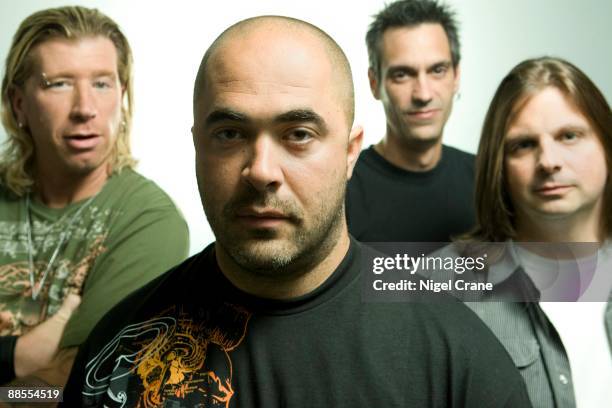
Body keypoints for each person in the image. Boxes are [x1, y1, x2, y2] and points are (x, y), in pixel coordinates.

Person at [62, 16, 531, 407]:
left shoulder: (459, 358)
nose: (261, 171)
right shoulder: (117, 348)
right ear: (197, 147)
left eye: (298, 134)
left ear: (351, 153)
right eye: (230, 134)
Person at [0, 6, 189, 386]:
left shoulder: (147, 219)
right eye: (60, 84)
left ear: (121, 95)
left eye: (101, 84)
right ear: (19, 103)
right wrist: (18, 356)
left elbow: (63, 389)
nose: (84, 109)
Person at [423, 57, 612, 407]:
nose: (548, 161)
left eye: (569, 136)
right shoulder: (438, 287)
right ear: (499, 164)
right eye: (523, 145)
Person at [347, 0, 475, 242]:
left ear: (456, 76)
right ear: (375, 83)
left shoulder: (489, 183)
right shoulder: (343, 192)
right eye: (402, 74)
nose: (423, 95)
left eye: (438, 70)